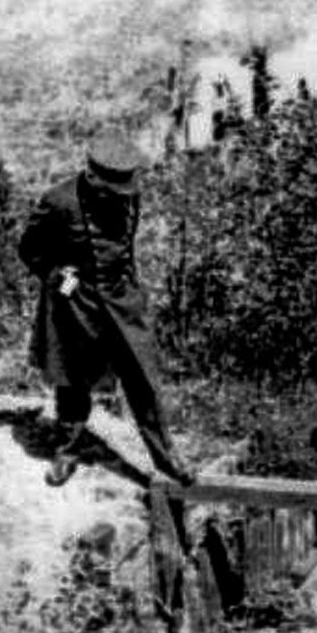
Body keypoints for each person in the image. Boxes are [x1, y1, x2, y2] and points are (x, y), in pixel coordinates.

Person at [19, 128, 194, 487]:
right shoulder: (58, 200)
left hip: (120, 296)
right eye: (110, 189)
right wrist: (61, 279)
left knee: (142, 374)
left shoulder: (130, 197)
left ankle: (167, 457)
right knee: (72, 377)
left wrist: (132, 289)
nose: (118, 196)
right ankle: (67, 449)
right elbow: (30, 250)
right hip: (75, 296)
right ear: (91, 176)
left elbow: (126, 247)